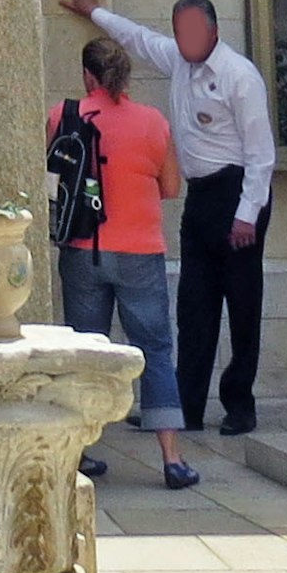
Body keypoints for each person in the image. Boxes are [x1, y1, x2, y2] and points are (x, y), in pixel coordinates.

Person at [63, 0, 278, 432]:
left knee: (242, 305)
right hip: (201, 195)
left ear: (214, 32)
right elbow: (137, 39)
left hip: (238, 192)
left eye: (194, 31)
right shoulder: (179, 61)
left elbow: (261, 155)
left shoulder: (240, 76)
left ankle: (240, 403)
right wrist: (92, 10)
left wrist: (247, 216)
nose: (185, 40)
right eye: (180, 31)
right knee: (194, 306)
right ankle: (186, 408)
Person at [46, 37, 197, 489]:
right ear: (126, 76)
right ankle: (172, 458)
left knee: (83, 351)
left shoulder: (63, 115)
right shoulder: (152, 122)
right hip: (139, 252)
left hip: (82, 248)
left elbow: (52, 178)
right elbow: (171, 186)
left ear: (87, 76)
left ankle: (79, 452)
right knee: (154, 350)